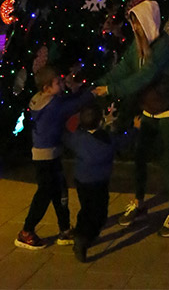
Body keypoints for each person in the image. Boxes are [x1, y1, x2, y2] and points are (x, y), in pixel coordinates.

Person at [93, 0, 169, 238]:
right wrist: (98, 84)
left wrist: (111, 90)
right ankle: (139, 202)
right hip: (150, 109)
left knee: (166, 161)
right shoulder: (138, 45)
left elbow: (144, 76)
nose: (135, 28)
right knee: (140, 157)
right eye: (133, 23)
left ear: (149, 22)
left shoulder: (163, 47)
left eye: (138, 23)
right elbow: (123, 69)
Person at [14, 65, 92, 250]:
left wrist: (75, 90)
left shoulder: (41, 100)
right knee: (45, 193)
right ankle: (27, 231)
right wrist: (92, 93)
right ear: (46, 88)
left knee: (60, 191)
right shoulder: (53, 106)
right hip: (46, 157)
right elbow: (73, 105)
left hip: (49, 154)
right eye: (57, 82)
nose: (61, 84)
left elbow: (65, 99)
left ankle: (64, 229)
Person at [64, 101, 115, 263]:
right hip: (99, 182)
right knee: (99, 213)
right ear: (100, 121)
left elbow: (66, 136)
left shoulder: (78, 138)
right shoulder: (106, 141)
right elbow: (121, 142)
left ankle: (80, 232)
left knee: (86, 208)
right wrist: (135, 129)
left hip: (81, 180)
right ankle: (84, 239)